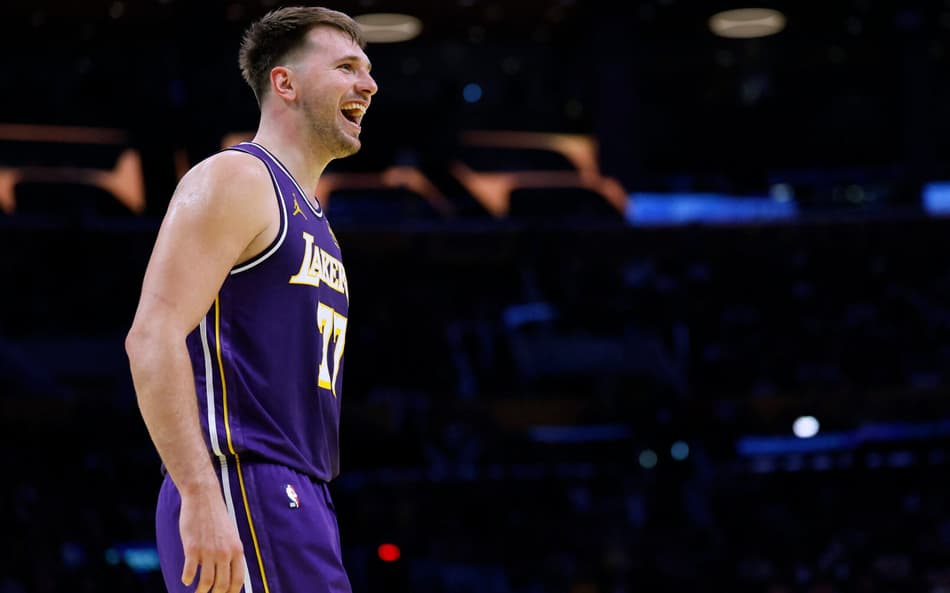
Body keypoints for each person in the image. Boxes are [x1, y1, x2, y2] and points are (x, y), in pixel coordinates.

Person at [125, 6, 377, 593]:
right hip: (243, 480)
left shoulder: (316, 221)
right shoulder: (238, 179)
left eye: (367, 70)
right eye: (345, 67)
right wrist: (200, 493)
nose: (367, 84)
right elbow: (152, 337)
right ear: (283, 82)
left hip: (299, 490)